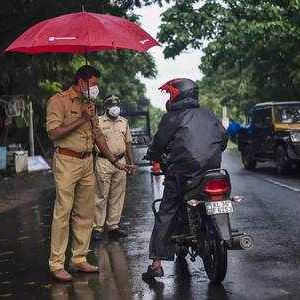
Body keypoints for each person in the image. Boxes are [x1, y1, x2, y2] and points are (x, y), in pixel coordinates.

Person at [46, 65, 134, 282]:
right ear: (81, 82)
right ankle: (57, 264)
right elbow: (53, 132)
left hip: (88, 162)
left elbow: (97, 135)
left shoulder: (90, 105)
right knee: (63, 212)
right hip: (66, 159)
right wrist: (81, 118)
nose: (96, 88)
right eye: (94, 83)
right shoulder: (58, 101)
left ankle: (79, 258)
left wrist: (116, 162)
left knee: (85, 213)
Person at [142, 78, 228, 279]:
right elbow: (223, 139)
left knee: (167, 211)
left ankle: (156, 264)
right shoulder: (208, 114)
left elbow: (159, 145)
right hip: (211, 172)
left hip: (183, 174)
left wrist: (153, 155)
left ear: (177, 95)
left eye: (171, 94)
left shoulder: (172, 117)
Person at [92, 95, 135, 241]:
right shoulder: (98, 122)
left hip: (121, 161)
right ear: (106, 107)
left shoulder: (124, 122)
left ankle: (113, 227)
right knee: (101, 195)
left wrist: (131, 162)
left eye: (117, 104)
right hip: (104, 162)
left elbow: (128, 143)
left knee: (118, 195)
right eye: (112, 104)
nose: (115, 107)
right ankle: (97, 228)